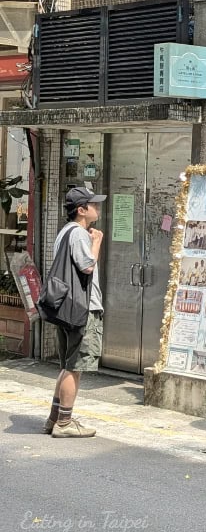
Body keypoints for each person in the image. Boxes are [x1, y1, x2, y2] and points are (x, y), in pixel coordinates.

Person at [44, 187, 107, 438]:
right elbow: (87, 267)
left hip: (66, 306)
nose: (98, 208)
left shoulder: (64, 232)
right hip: (83, 307)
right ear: (81, 210)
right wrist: (97, 242)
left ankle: (54, 418)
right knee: (75, 366)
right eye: (93, 204)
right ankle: (65, 423)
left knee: (67, 365)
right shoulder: (80, 233)